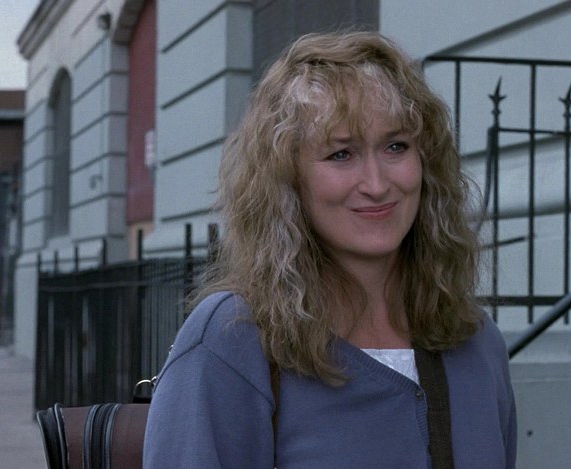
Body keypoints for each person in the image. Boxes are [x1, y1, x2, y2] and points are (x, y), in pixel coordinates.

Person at [143, 31, 516, 468]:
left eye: (396, 147)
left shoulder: (477, 341)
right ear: (288, 180)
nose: (376, 184)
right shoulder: (233, 341)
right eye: (341, 154)